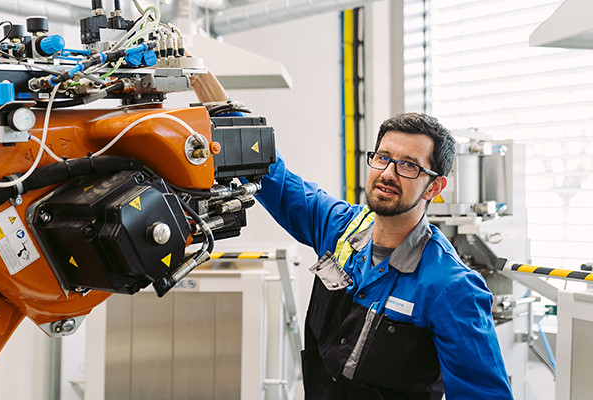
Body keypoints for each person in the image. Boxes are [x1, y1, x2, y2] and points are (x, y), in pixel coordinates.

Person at [192, 72, 513, 400]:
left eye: (409, 166)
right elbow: (272, 174)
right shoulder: (340, 227)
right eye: (383, 157)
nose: (388, 173)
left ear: (434, 186)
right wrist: (210, 92)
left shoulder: (451, 287)